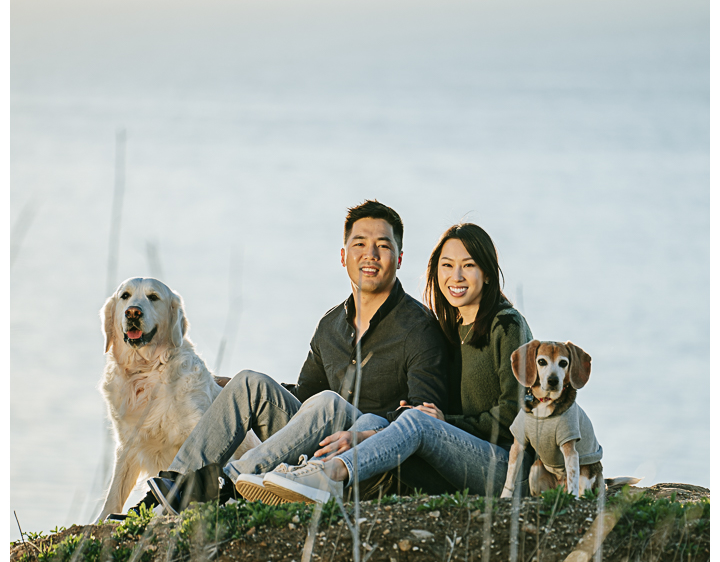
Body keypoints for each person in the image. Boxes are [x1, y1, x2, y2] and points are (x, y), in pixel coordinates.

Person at [142, 199, 450, 515]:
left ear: (399, 258)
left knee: (330, 403)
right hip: (312, 455)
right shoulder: (330, 326)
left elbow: (422, 420)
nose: (370, 254)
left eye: (382, 246)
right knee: (250, 382)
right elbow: (306, 402)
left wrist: (363, 430)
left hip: (365, 463)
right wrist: (225, 384)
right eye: (360, 244)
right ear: (344, 257)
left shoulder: (420, 328)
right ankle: (163, 496)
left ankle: (223, 484)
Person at [259, 222, 533, 506]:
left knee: (417, 421)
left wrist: (444, 422)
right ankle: (312, 479)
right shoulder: (450, 331)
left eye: (469, 265)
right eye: (447, 266)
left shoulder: (507, 324)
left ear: (487, 273)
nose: (457, 276)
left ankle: (331, 473)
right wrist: (371, 431)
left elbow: (517, 415)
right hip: (456, 461)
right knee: (370, 421)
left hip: (506, 467)